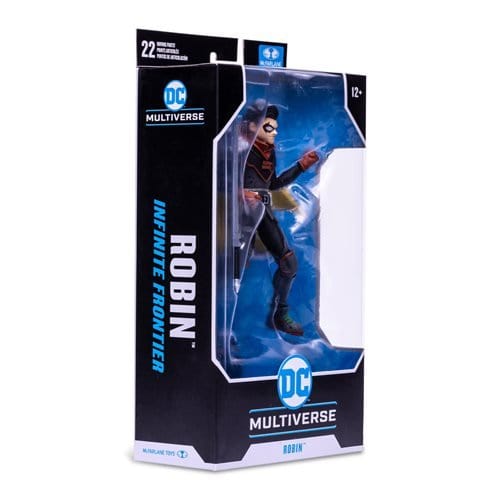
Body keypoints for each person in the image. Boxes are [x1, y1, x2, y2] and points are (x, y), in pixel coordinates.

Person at [243, 104, 319, 336]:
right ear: (253, 126)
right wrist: (240, 194)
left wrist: (300, 166)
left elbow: (273, 184)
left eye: (275, 128)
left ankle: (279, 313)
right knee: (231, 266)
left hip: (262, 212)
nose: (275, 132)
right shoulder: (239, 150)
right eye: (269, 127)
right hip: (237, 215)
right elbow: (218, 178)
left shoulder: (269, 152)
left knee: (289, 263)